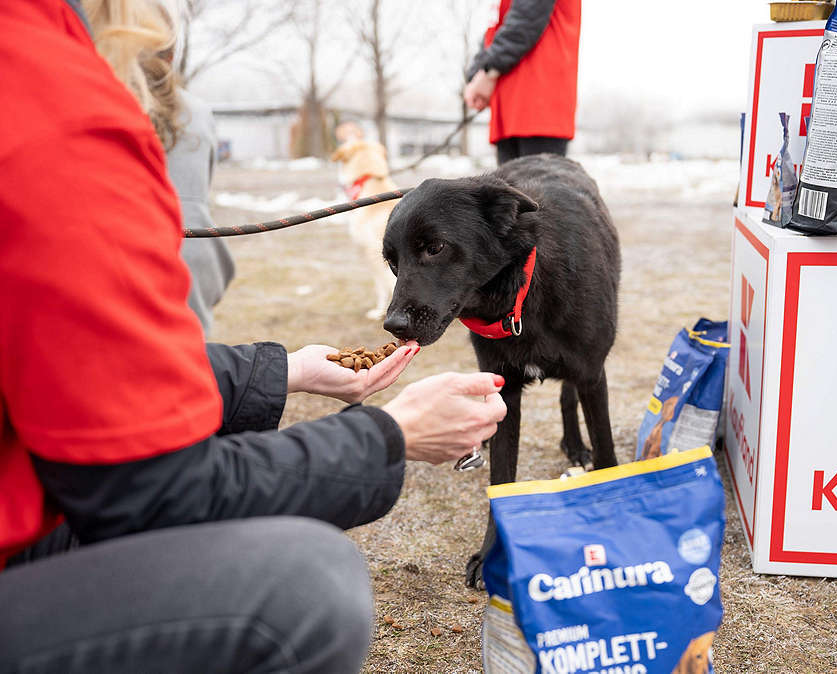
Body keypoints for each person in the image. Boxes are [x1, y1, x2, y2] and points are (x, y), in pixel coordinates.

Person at [0, 1, 507, 672]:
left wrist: (283, 372)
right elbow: (154, 495)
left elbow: (80, 374)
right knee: (305, 586)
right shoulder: (59, 116)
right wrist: (393, 436)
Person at [88, 0, 234, 336]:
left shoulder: (92, 105)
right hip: (189, 283)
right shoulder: (194, 113)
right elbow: (194, 210)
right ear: (169, 56)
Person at [463, 0, 581, 166]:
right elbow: (495, 29)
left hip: (539, 105)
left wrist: (488, 71)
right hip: (508, 108)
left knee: (536, 190)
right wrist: (476, 75)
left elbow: (524, 20)